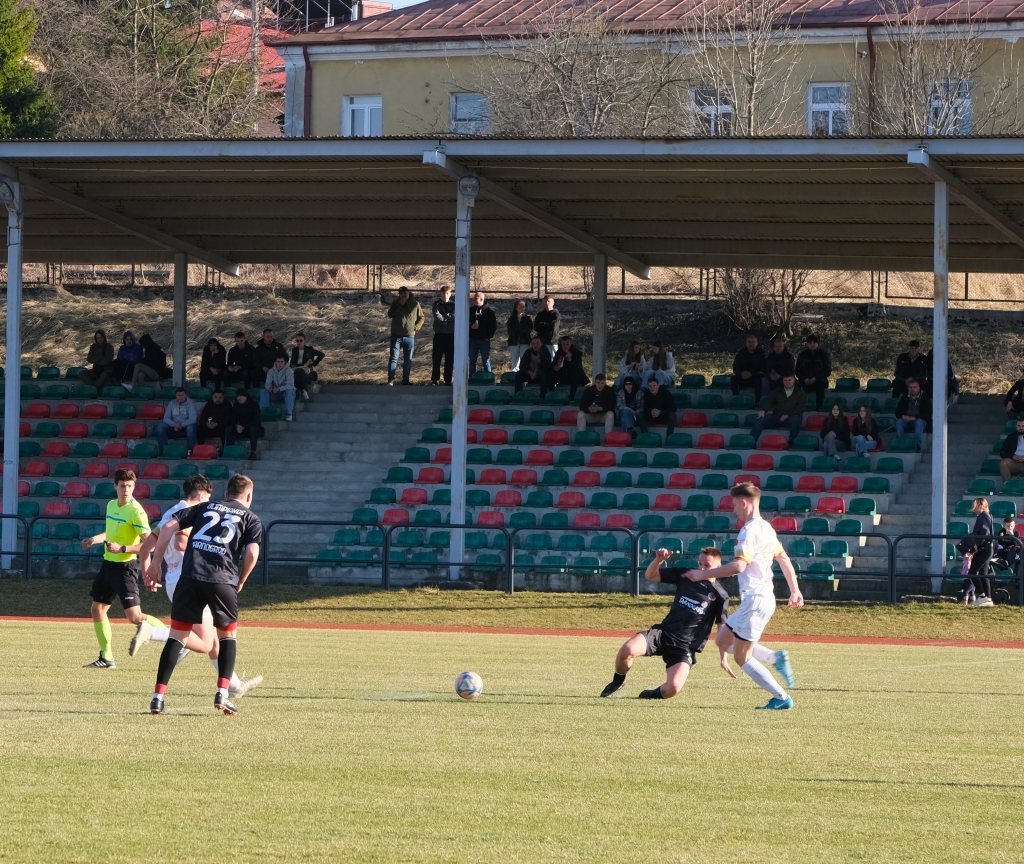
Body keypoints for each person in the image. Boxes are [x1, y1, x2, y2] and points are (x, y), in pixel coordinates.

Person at [134, 475, 262, 700]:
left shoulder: (185, 509)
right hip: (212, 576)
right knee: (210, 640)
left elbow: (153, 541)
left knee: (205, 639)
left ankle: (230, 686)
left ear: (226, 494)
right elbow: (251, 552)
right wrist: (239, 578)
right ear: (249, 496)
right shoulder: (247, 517)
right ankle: (153, 632)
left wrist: (153, 565)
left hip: (184, 578)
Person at [693, 482, 803, 710]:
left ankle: (781, 697)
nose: (733, 509)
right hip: (761, 599)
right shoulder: (767, 528)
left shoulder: (749, 531)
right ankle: (775, 658)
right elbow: (783, 559)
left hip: (755, 600)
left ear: (744, 503)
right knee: (722, 640)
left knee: (742, 657)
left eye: (734, 505)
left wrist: (703, 574)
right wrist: (795, 590)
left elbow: (739, 566)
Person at [600, 547, 729, 699]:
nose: (701, 568)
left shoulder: (720, 595)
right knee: (626, 651)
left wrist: (724, 658)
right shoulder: (687, 575)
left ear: (718, 567)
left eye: (707, 565)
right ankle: (617, 682)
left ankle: (650, 694)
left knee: (673, 689)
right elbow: (651, 575)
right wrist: (659, 560)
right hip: (663, 633)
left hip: (685, 647)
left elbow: (722, 627)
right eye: (700, 563)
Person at [80, 468, 164, 669]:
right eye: (123, 486)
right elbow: (111, 533)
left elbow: (149, 545)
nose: (126, 490)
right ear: (115, 486)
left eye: (130, 486)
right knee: (97, 609)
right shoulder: (111, 505)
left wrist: (123, 548)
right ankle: (106, 658)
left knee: (135, 617)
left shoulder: (136, 511)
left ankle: (175, 638)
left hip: (125, 567)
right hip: (108, 565)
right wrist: (94, 539)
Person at [751, 374, 805, 446]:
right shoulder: (778, 390)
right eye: (785, 380)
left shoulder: (800, 392)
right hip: (777, 417)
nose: (787, 382)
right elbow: (769, 401)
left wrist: (788, 415)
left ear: (794, 380)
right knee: (760, 419)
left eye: (789, 380)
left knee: (796, 420)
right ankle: (751, 442)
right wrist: (763, 410)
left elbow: (801, 408)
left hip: (791, 418)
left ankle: (791, 444)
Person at [386, 286, 424, 386]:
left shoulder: (415, 304)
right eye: (401, 293)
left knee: (408, 359)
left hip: (409, 336)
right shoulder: (396, 303)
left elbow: (421, 318)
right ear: (399, 295)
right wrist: (400, 304)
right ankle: (391, 380)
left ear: (409, 293)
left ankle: (405, 380)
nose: (403, 295)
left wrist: (416, 327)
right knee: (394, 357)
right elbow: (390, 314)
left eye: (405, 293)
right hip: (396, 335)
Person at [965, 498, 995, 607]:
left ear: (981, 506)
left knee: (972, 572)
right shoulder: (988, 516)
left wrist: (976, 545)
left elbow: (984, 532)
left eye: (975, 505)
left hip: (983, 549)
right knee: (983, 574)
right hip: (987, 548)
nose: (973, 508)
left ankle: (982, 596)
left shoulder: (982, 516)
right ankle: (988, 598)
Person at [155, 387, 198, 455]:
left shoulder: (191, 403)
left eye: (182, 395)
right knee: (160, 427)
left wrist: (182, 425)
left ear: (186, 395)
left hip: (185, 428)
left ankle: (189, 451)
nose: (180, 397)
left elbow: (193, 419)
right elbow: (166, 418)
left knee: (191, 428)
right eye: (178, 395)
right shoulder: (171, 403)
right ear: (176, 396)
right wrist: (174, 424)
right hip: (173, 427)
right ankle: (163, 451)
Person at [795, 334, 831, 411]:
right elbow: (797, 370)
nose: (812, 345)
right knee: (796, 385)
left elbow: (827, 371)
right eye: (810, 343)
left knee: (820, 384)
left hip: (819, 380)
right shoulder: (802, 355)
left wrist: (816, 377)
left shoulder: (823, 354)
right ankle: (798, 407)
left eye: (814, 343)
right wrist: (804, 378)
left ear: (817, 344)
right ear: (807, 344)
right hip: (805, 381)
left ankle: (819, 407)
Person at [226, 390, 263, 460]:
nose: (239, 398)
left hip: (254, 428)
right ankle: (230, 450)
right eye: (238, 396)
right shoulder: (236, 405)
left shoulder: (254, 404)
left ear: (245, 396)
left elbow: (256, 420)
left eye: (241, 396)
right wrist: (237, 426)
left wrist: (244, 427)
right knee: (230, 429)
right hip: (241, 428)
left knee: (252, 429)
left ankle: (253, 453)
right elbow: (233, 419)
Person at [895, 378, 930, 451]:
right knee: (899, 422)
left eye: (914, 387)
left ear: (918, 388)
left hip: (918, 420)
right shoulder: (904, 397)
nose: (912, 389)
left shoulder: (924, 397)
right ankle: (900, 443)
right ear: (908, 388)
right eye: (910, 387)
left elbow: (928, 413)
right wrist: (903, 416)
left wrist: (915, 417)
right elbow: (897, 411)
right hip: (906, 420)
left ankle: (917, 445)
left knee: (919, 422)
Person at [551, 336, 589, 401]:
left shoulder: (576, 353)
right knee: (550, 376)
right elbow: (553, 365)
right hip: (563, 375)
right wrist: (555, 368)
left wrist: (570, 359)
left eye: (567, 344)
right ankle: (553, 395)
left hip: (573, 376)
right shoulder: (559, 353)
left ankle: (571, 397)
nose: (565, 347)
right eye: (563, 344)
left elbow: (578, 368)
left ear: (570, 344)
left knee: (576, 375)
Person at [431, 286, 455, 385]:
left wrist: (444, 316)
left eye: (447, 293)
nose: (445, 295)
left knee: (449, 358)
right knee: (436, 358)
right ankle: (435, 379)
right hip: (439, 335)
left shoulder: (454, 304)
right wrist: (447, 318)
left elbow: (455, 315)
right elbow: (437, 316)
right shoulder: (436, 304)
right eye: (443, 293)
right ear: (440, 294)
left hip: (451, 335)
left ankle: (448, 380)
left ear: (450, 294)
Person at [468, 291, 498, 374]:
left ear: (481, 299)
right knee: (472, 360)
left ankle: (488, 377)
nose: (474, 299)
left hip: (484, 340)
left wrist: (488, 336)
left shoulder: (489, 311)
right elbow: (466, 323)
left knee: (486, 360)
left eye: (476, 298)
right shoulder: (471, 310)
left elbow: (493, 326)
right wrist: (471, 327)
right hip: (473, 339)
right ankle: (472, 378)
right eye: (473, 298)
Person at [290, 333, 324, 401]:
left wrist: (313, 363)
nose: (299, 342)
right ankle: (303, 390)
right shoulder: (294, 350)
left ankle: (299, 391)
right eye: (297, 341)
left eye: (301, 340)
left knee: (299, 372)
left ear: (304, 341)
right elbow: (292, 363)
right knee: (297, 373)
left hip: (306, 371)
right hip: (297, 370)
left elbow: (321, 354)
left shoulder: (309, 349)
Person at [261, 355, 295, 422]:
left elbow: (290, 385)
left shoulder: (289, 371)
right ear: (275, 363)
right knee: (264, 391)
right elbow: (267, 384)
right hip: (275, 393)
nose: (280, 364)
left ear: (285, 362)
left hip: (285, 393)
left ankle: (289, 414)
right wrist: (270, 388)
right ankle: (263, 412)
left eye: (281, 362)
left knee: (290, 391)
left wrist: (279, 389)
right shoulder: (271, 371)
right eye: (278, 362)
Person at [732, 334, 765, 401]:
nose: (751, 344)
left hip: (755, 377)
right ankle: (736, 398)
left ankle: (757, 401)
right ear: (746, 343)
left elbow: (763, 369)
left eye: (753, 342)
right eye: (749, 342)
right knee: (733, 379)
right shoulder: (741, 352)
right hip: (742, 377)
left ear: (756, 343)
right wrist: (741, 373)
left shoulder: (761, 353)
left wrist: (751, 374)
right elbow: (735, 368)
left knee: (758, 380)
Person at [506, 299, 533, 373]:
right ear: (516, 308)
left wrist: (518, 330)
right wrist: (521, 330)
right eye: (520, 306)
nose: (522, 308)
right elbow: (511, 331)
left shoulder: (527, 319)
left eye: (524, 306)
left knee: (524, 360)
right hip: (514, 342)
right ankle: (515, 376)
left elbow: (529, 330)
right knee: (515, 362)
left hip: (525, 342)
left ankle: (524, 375)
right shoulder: (511, 319)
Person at [999, 417, 1024, 482]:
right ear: (1016, 426)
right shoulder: (1011, 437)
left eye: (1023, 426)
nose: (1021, 428)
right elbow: (1002, 452)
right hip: (1014, 462)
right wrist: (1013, 456)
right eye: (1019, 426)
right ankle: (1008, 485)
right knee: (1004, 463)